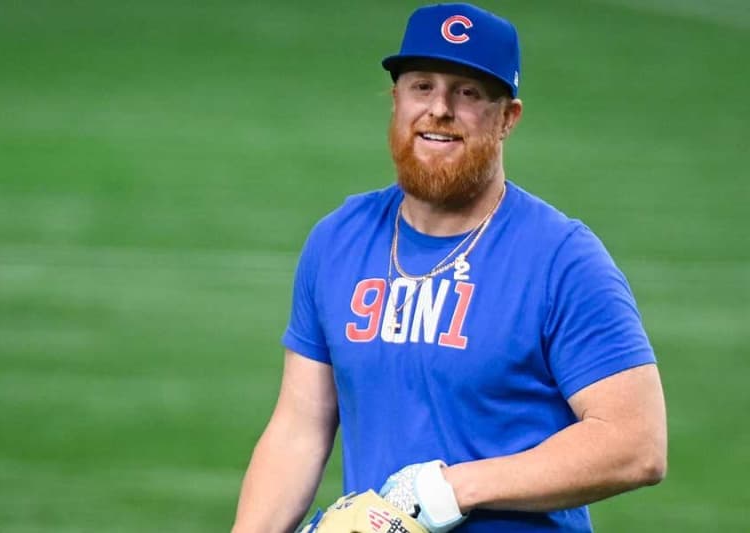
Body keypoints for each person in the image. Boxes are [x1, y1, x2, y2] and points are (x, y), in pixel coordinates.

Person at [232, 3, 667, 532]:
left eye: (467, 93)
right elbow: (299, 429)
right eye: (422, 86)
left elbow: (635, 443)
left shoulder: (560, 258)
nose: (439, 109)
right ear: (396, 99)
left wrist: (457, 488)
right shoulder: (339, 240)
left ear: (507, 118)